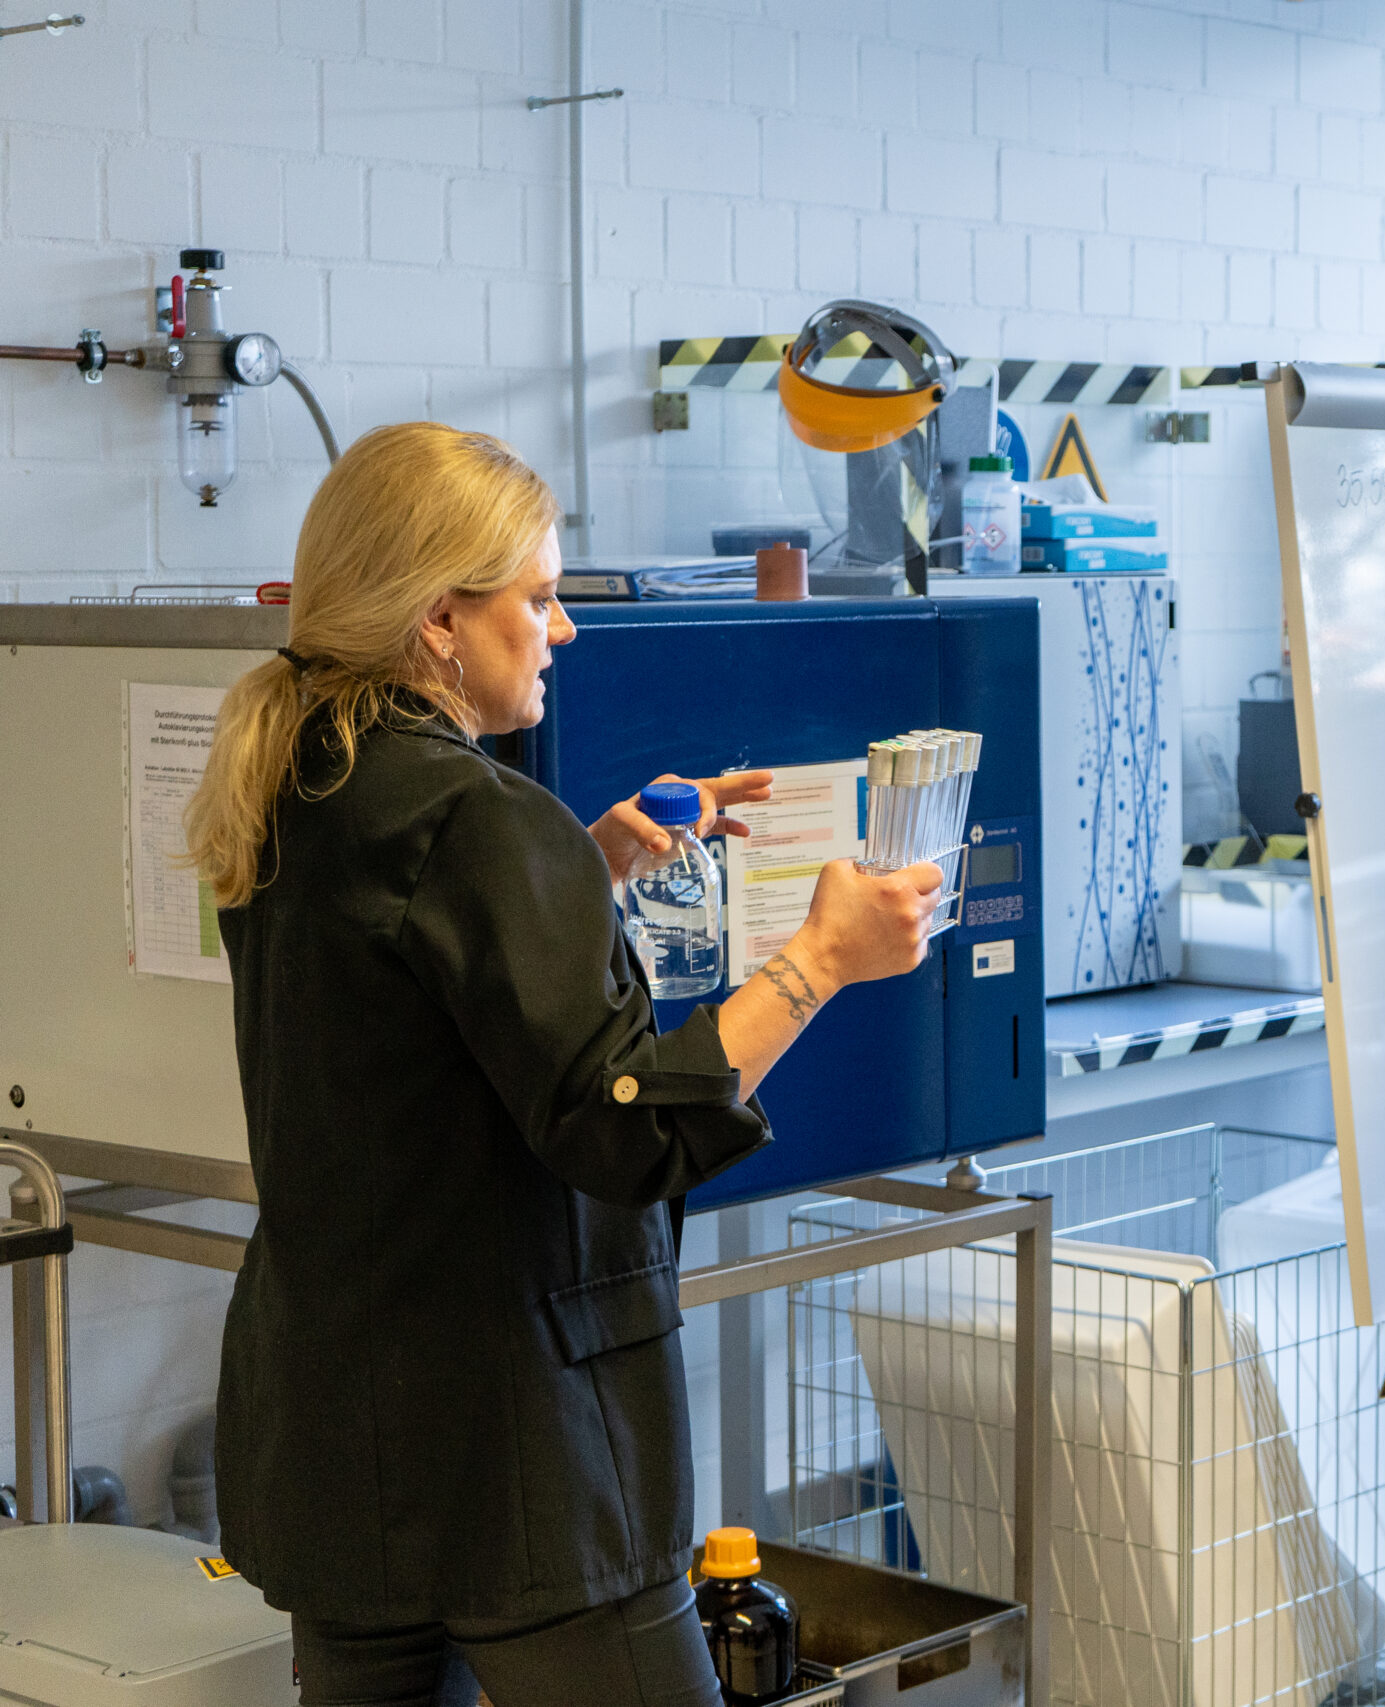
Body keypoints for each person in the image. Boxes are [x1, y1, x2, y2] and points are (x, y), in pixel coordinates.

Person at [184, 422, 944, 1706]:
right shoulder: (481, 818)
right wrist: (822, 958)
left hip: (339, 1437)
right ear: (439, 622)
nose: (564, 627)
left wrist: (583, 872)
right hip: (516, 1452)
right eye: (536, 598)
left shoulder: (300, 785)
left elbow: (410, 1020)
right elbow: (624, 1129)